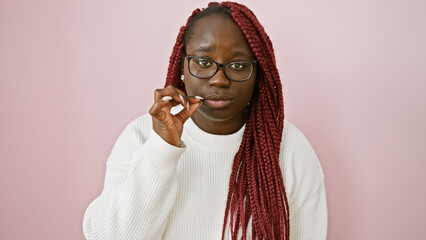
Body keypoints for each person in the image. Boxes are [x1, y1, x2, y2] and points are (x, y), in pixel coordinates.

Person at [82, 2, 327, 239]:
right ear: (182, 66)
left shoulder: (291, 149)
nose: (219, 80)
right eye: (203, 62)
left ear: (258, 75)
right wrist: (162, 148)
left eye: (238, 65)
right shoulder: (141, 137)